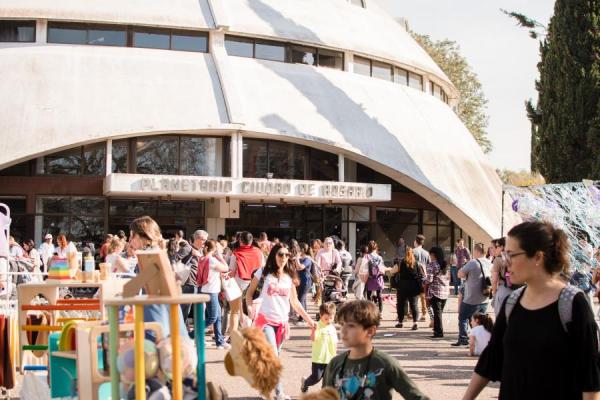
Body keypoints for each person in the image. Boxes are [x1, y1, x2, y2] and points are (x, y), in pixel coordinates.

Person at [463, 221, 600, 399]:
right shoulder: (512, 302)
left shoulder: (573, 304)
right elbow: (491, 359)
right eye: (504, 255)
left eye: (511, 255)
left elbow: (590, 378)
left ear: (537, 257)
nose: (506, 263)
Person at [246, 243, 316, 400]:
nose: (283, 257)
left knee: (272, 357)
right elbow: (249, 295)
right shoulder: (263, 274)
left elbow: (295, 302)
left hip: (282, 323)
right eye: (280, 254)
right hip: (264, 321)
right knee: (274, 357)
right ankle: (279, 393)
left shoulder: (289, 277)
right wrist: (250, 309)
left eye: (286, 255)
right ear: (273, 256)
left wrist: (310, 320)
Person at [323, 300, 429, 400]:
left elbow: (416, 397)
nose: (343, 331)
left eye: (351, 326)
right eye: (342, 325)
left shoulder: (385, 364)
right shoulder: (335, 363)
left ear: (370, 331)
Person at [128, 216, 187, 341]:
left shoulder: (149, 256)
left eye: (131, 236)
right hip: (163, 319)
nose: (129, 240)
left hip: (156, 321)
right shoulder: (156, 253)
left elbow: (131, 288)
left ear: (139, 236)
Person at [453, 243, 490, 346]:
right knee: (480, 321)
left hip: (471, 298)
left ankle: (463, 339)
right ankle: (479, 341)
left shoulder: (473, 262)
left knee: (463, 317)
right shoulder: (489, 262)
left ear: (476, 251)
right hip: (484, 298)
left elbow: (459, 274)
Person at [228, 231, 264, 333]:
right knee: (254, 310)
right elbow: (263, 268)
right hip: (256, 284)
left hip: (240, 285)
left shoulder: (236, 254)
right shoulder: (259, 252)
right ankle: (253, 333)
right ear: (252, 240)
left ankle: (236, 335)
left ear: (240, 240)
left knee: (236, 312)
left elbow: (231, 272)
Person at [301, 302, 338, 393]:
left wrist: (335, 357)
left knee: (327, 380)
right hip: (319, 359)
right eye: (326, 318)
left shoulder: (332, 328)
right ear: (320, 316)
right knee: (316, 378)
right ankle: (305, 383)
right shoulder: (317, 325)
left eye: (331, 318)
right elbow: (313, 339)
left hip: (330, 359)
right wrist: (313, 330)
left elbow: (335, 343)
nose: (329, 320)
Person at [199, 239, 230, 349]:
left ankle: (220, 341)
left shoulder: (204, 258)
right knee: (212, 318)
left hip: (208, 290)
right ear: (214, 249)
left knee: (217, 318)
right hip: (211, 291)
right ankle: (190, 335)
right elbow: (226, 268)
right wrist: (221, 256)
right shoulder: (211, 260)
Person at [180, 230, 207, 323]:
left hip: (198, 283)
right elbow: (174, 259)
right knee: (185, 309)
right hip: (188, 283)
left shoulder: (201, 250)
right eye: (203, 240)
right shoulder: (188, 248)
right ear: (197, 239)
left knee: (197, 309)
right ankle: (179, 330)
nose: (205, 242)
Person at [391, 247, 421, 330]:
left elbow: (392, 271)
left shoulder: (401, 263)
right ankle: (415, 323)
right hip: (414, 286)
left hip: (402, 286)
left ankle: (400, 322)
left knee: (401, 304)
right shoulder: (416, 263)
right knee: (414, 305)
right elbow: (421, 274)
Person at [425, 247, 450, 338]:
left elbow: (429, 279)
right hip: (445, 292)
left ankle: (438, 332)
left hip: (435, 292)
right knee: (439, 313)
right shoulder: (445, 264)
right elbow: (448, 278)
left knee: (437, 313)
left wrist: (424, 280)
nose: (430, 256)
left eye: (430, 254)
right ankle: (437, 330)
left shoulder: (432, 265)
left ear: (433, 255)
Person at [490, 237, 517, 316]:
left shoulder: (498, 260)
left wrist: (494, 294)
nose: (496, 248)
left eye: (497, 246)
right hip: (517, 289)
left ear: (502, 247)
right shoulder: (514, 257)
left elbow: (494, 280)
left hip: (504, 290)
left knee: (500, 318)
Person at [362, 241, 389, 313]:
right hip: (378, 278)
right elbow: (382, 269)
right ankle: (380, 312)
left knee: (369, 295)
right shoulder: (379, 257)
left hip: (370, 278)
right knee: (379, 295)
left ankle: (369, 311)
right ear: (376, 248)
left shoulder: (366, 256)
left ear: (369, 248)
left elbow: (364, 269)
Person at [295, 242, 316, 325]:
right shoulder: (301, 258)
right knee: (302, 299)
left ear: (302, 250)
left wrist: (297, 258)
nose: (296, 250)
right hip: (300, 280)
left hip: (306, 281)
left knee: (301, 298)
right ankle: (303, 317)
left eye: (298, 248)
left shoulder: (307, 259)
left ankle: (302, 319)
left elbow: (300, 267)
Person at [413, 234, 430, 323]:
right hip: (424, 277)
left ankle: (412, 313)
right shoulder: (426, 253)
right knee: (423, 296)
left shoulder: (412, 251)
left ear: (415, 241)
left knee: (413, 296)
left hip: (414, 277)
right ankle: (424, 314)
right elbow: (429, 266)